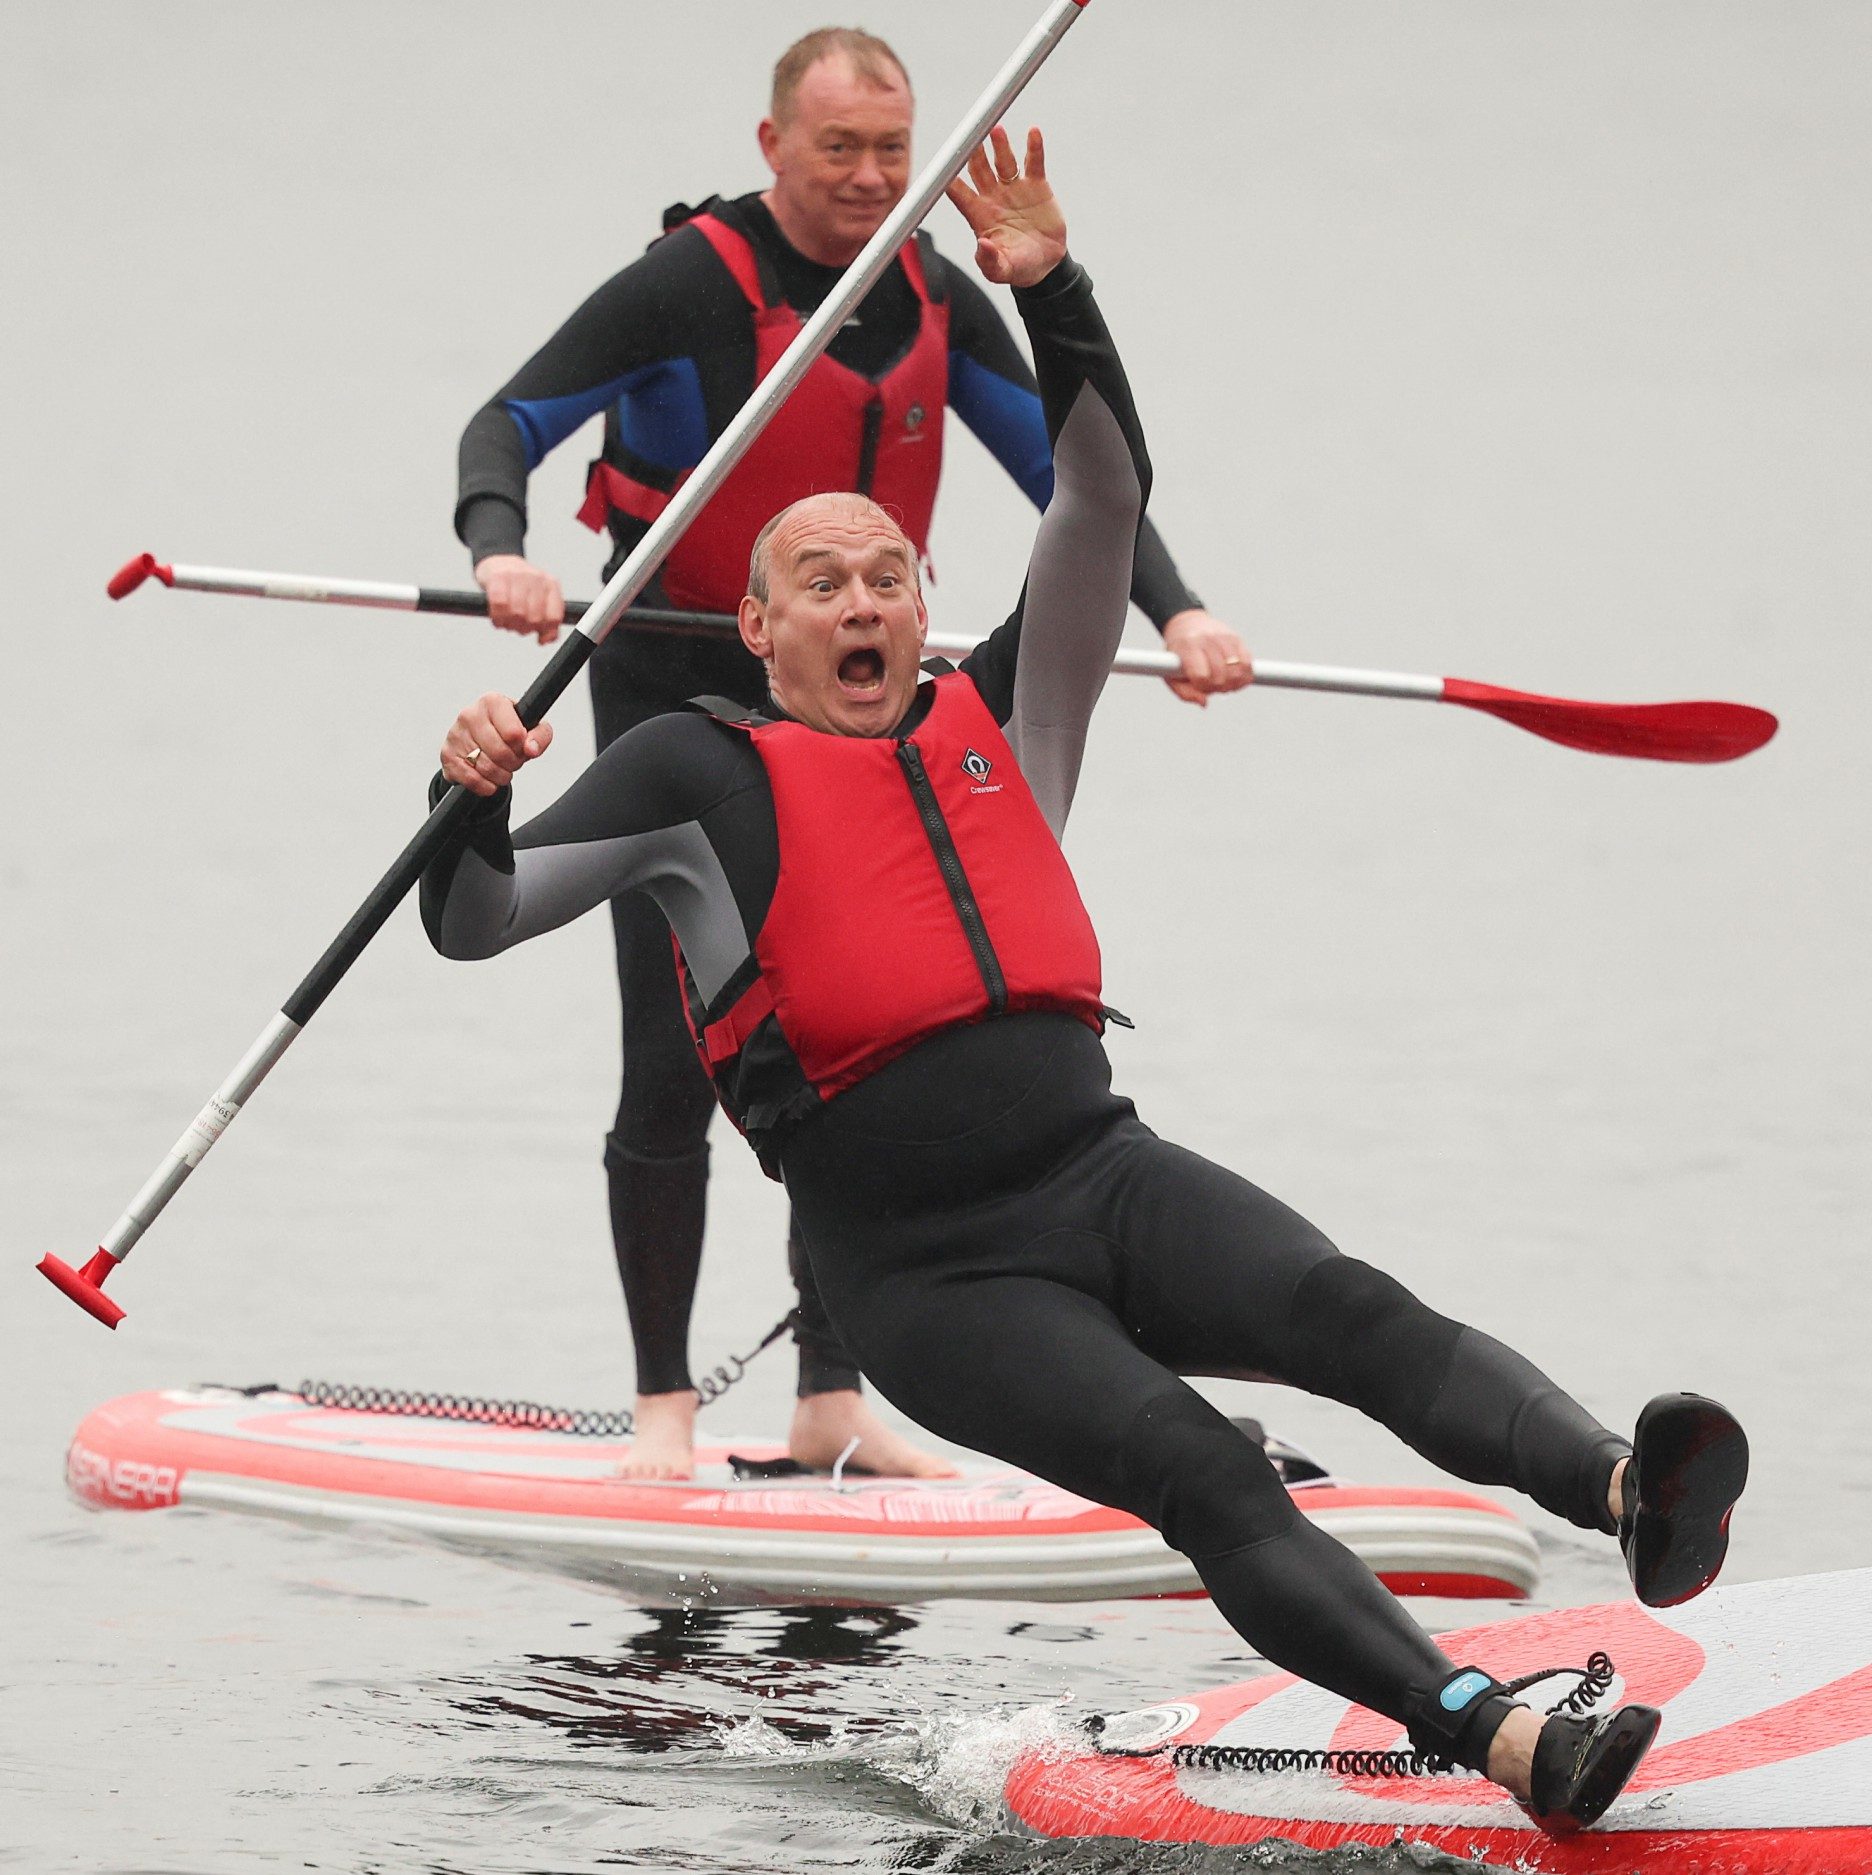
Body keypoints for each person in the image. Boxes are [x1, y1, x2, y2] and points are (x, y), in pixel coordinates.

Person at [423, 130, 1748, 1829]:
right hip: (931, 1277)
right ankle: (1494, 1732)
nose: (860, 600)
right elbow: (478, 920)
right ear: (758, 630)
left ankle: (1628, 1488)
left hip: (1102, 1174)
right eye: (815, 583)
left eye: (886, 574)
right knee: (1201, 1467)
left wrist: (1052, 290)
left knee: (1357, 1314)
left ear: (924, 598)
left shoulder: (1011, 716)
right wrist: (466, 792)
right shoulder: (696, 774)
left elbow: (1103, 503)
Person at [454, 28, 1253, 1481]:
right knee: (673, 1048)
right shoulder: (684, 286)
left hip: (857, 700)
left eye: (894, 150)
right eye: (841, 151)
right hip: (675, 697)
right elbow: (508, 422)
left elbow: (1072, 474)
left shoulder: (930, 291)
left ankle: (833, 1397)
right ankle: (661, 1412)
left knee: (862, 1040)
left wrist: (1181, 608)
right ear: (773, 149)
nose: (872, 177)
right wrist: (503, 554)